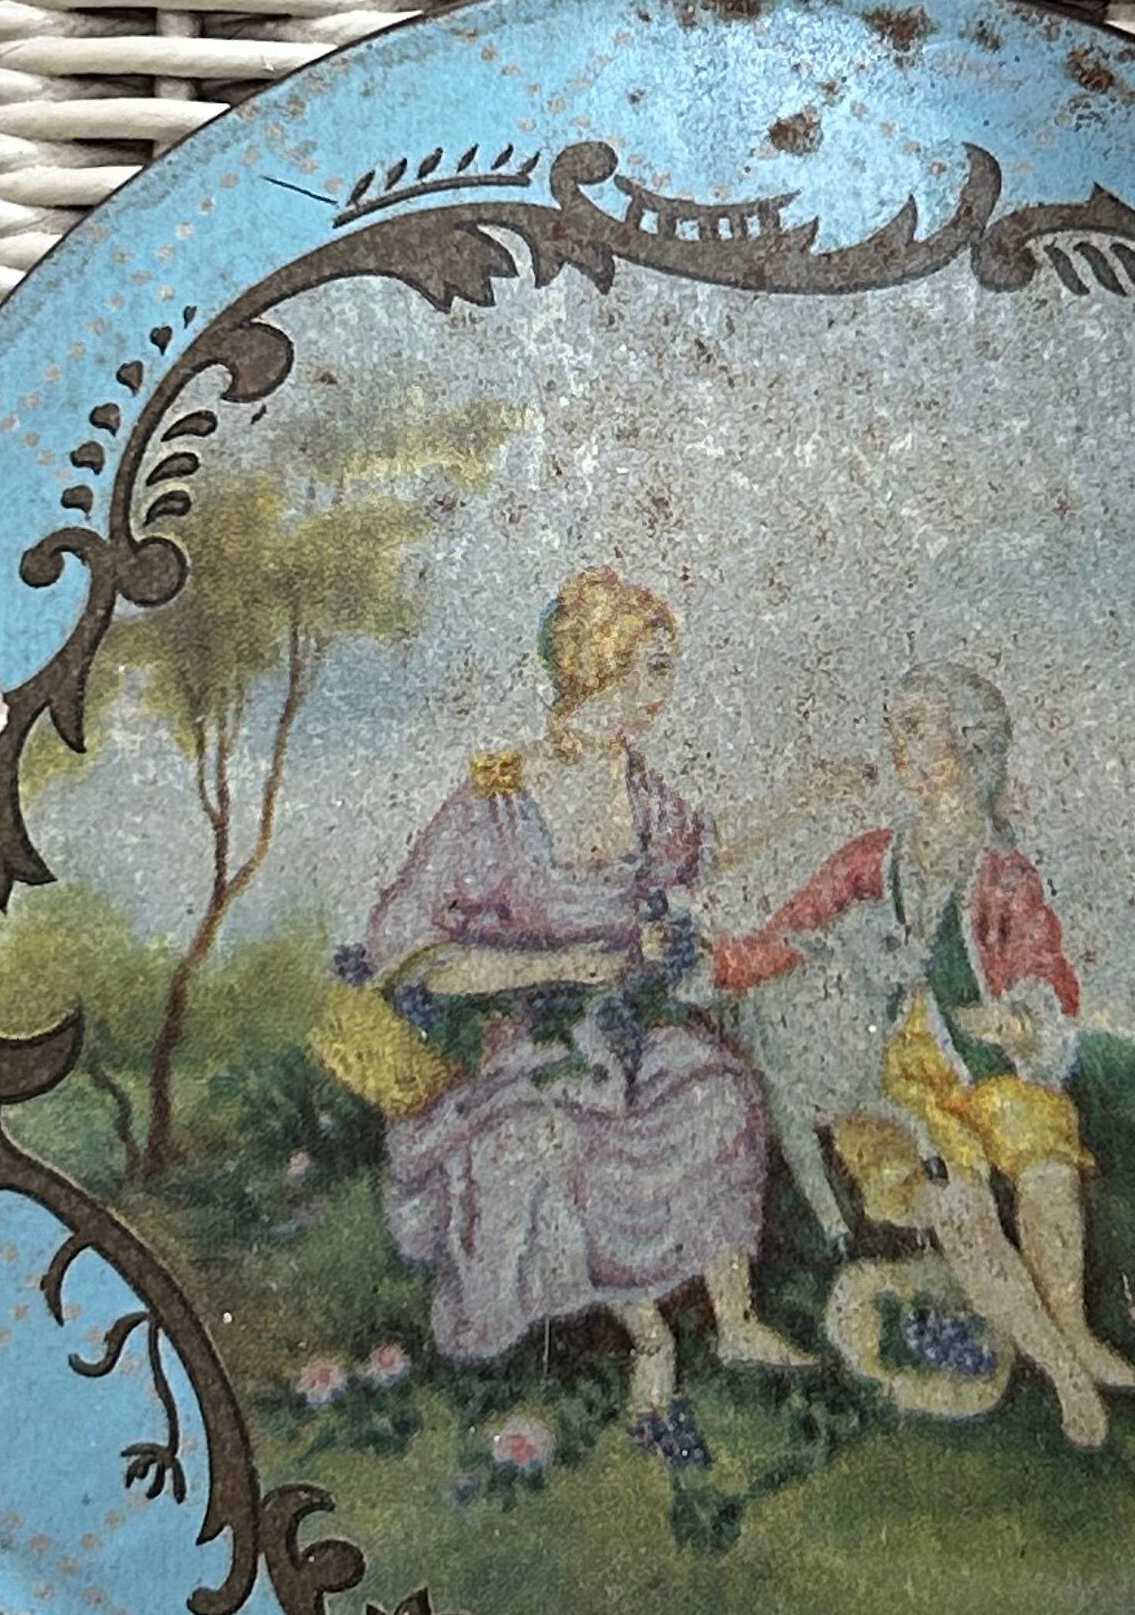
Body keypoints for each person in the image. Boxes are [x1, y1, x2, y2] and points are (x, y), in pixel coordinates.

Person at [341, 567, 835, 1428]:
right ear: (601, 663)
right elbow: (416, 948)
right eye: (653, 668)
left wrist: (803, 800)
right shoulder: (498, 799)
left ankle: (737, 1322)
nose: (663, 690)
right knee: (562, 1139)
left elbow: (704, 854)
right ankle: (649, 1337)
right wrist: (563, 966)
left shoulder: (641, 789)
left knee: (722, 1094)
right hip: (531, 1035)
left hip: (632, 1025)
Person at [712, 665, 1135, 1449]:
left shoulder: (1003, 872)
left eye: (917, 727)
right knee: (960, 1204)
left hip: (986, 1062)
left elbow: (1043, 968)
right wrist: (713, 961)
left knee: (1044, 1162)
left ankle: (1076, 1332)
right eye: (898, 729)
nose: (900, 746)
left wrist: (1020, 1022)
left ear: (968, 744)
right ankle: (1064, 1376)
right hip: (894, 1074)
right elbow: (787, 934)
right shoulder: (871, 859)